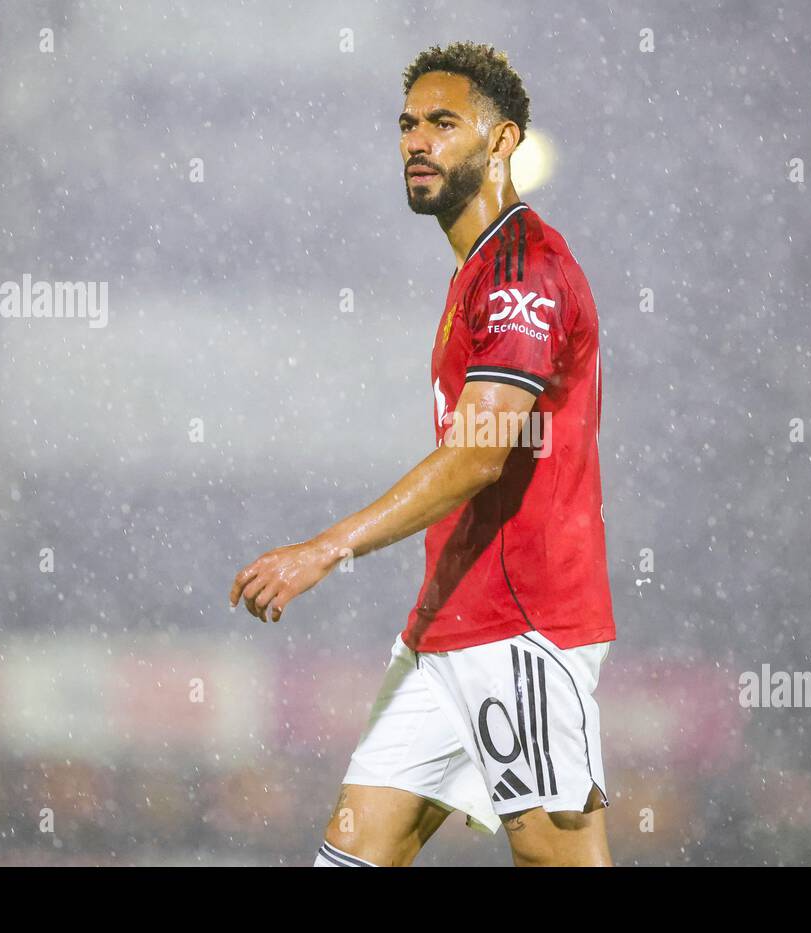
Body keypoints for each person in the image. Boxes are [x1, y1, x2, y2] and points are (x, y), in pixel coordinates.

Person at [230, 41, 616, 867]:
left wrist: (326, 548)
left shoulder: (523, 271)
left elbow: (477, 457)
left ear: (502, 141)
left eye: (443, 123)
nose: (416, 141)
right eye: (408, 125)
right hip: (447, 625)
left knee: (558, 858)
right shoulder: (476, 270)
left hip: (522, 624)